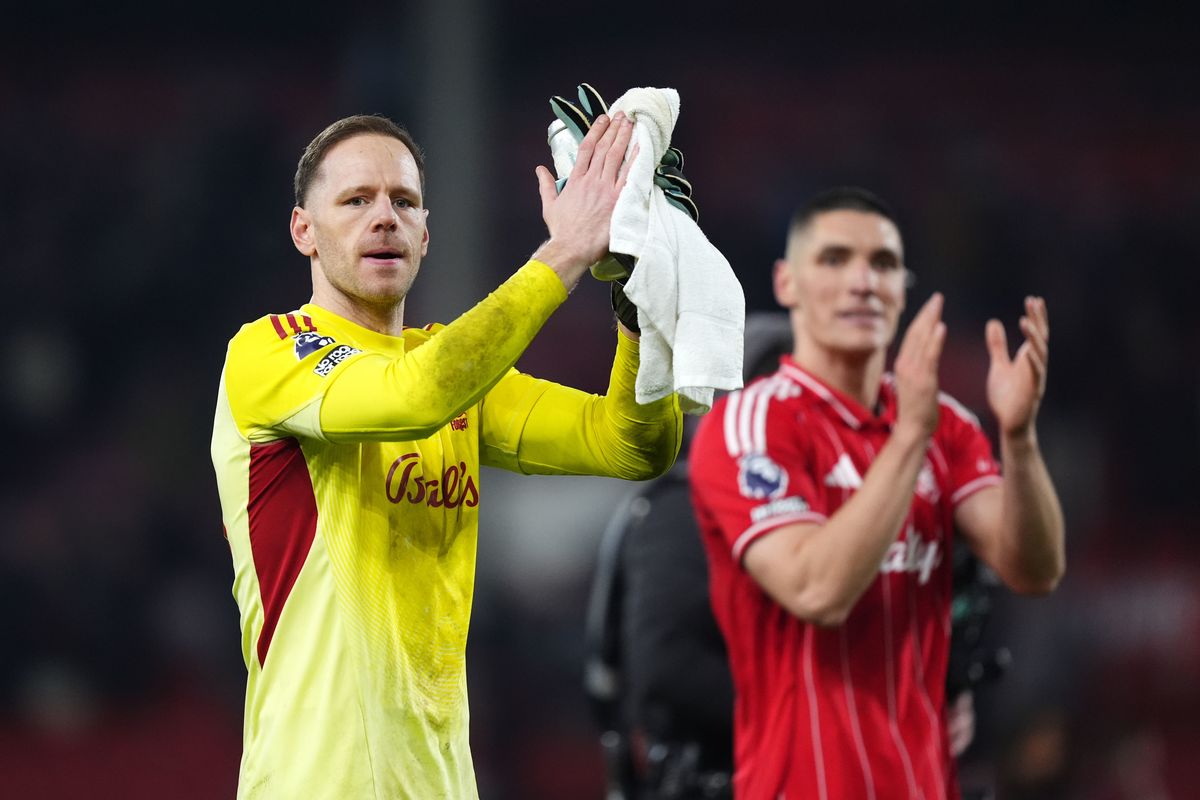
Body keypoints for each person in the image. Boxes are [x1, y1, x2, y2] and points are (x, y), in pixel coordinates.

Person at [210, 110, 683, 799]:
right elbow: (414, 397)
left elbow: (630, 444)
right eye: (355, 200)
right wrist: (567, 252)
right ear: (303, 231)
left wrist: (643, 303)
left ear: (425, 235)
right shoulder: (270, 351)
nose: (384, 218)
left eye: (402, 201)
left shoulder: (451, 370)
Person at [687, 187, 1065, 799]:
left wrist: (1018, 439)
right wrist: (910, 435)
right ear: (786, 283)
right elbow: (817, 589)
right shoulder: (753, 425)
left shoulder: (946, 425)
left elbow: (1035, 568)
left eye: (883, 264)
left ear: (903, 287)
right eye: (834, 260)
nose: (863, 282)